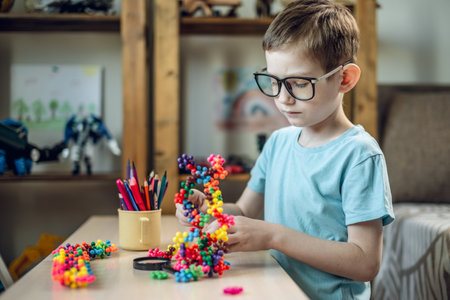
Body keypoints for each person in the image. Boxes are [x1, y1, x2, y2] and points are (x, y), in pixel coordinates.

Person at [176, 0, 395, 299]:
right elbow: (243, 211)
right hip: (276, 290)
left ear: (344, 79)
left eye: (299, 84)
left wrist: (273, 235)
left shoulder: (358, 155)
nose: (282, 98)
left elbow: (365, 262)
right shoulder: (278, 143)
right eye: (274, 81)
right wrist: (206, 213)